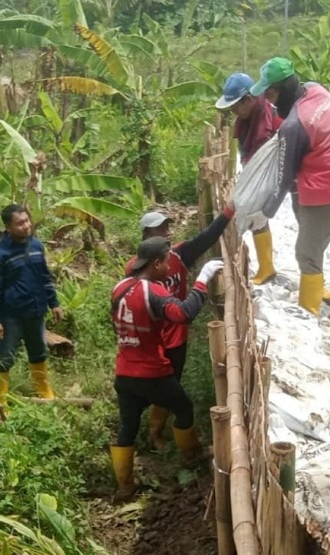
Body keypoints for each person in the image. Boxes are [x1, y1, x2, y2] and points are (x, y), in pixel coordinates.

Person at [245, 57, 330, 315]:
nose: (267, 99)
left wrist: (264, 212)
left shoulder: (294, 126)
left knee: (307, 252)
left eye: (269, 92)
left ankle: (308, 311)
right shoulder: (317, 90)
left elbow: (284, 179)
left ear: (282, 90)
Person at [109, 237, 224, 500]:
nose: (170, 267)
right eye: (167, 262)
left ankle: (125, 485)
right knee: (183, 408)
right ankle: (190, 454)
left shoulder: (120, 287)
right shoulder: (154, 292)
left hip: (124, 371)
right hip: (152, 371)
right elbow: (183, 314)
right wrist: (202, 281)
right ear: (157, 263)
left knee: (127, 426)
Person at [125, 205, 235, 450]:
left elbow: (206, 238)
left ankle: (157, 430)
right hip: (151, 338)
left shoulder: (178, 255)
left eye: (166, 227)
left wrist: (229, 212)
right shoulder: (134, 269)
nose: (165, 232)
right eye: (158, 229)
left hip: (176, 336)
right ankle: (160, 435)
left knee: (171, 383)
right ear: (145, 234)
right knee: (157, 386)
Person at [0, 204, 64, 403]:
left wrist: (54, 303)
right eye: (20, 223)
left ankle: (43, 391)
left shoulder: (36, 245)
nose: (26, 226)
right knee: (5, 357)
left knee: (39, 352)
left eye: (27, 221)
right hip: (10, 316)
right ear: (7, 227)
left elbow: (45, 277)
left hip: (36, 311)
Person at [215, 72, 283, 286]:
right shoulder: (248, 118)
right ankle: (266, 266)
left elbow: (271, 150)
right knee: (256, 215)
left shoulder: (269, 116)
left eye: (236, 105)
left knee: (256, 213)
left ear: (249, 99)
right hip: (259, 171)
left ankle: (267, 267)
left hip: (275, 172)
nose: (234, 111)